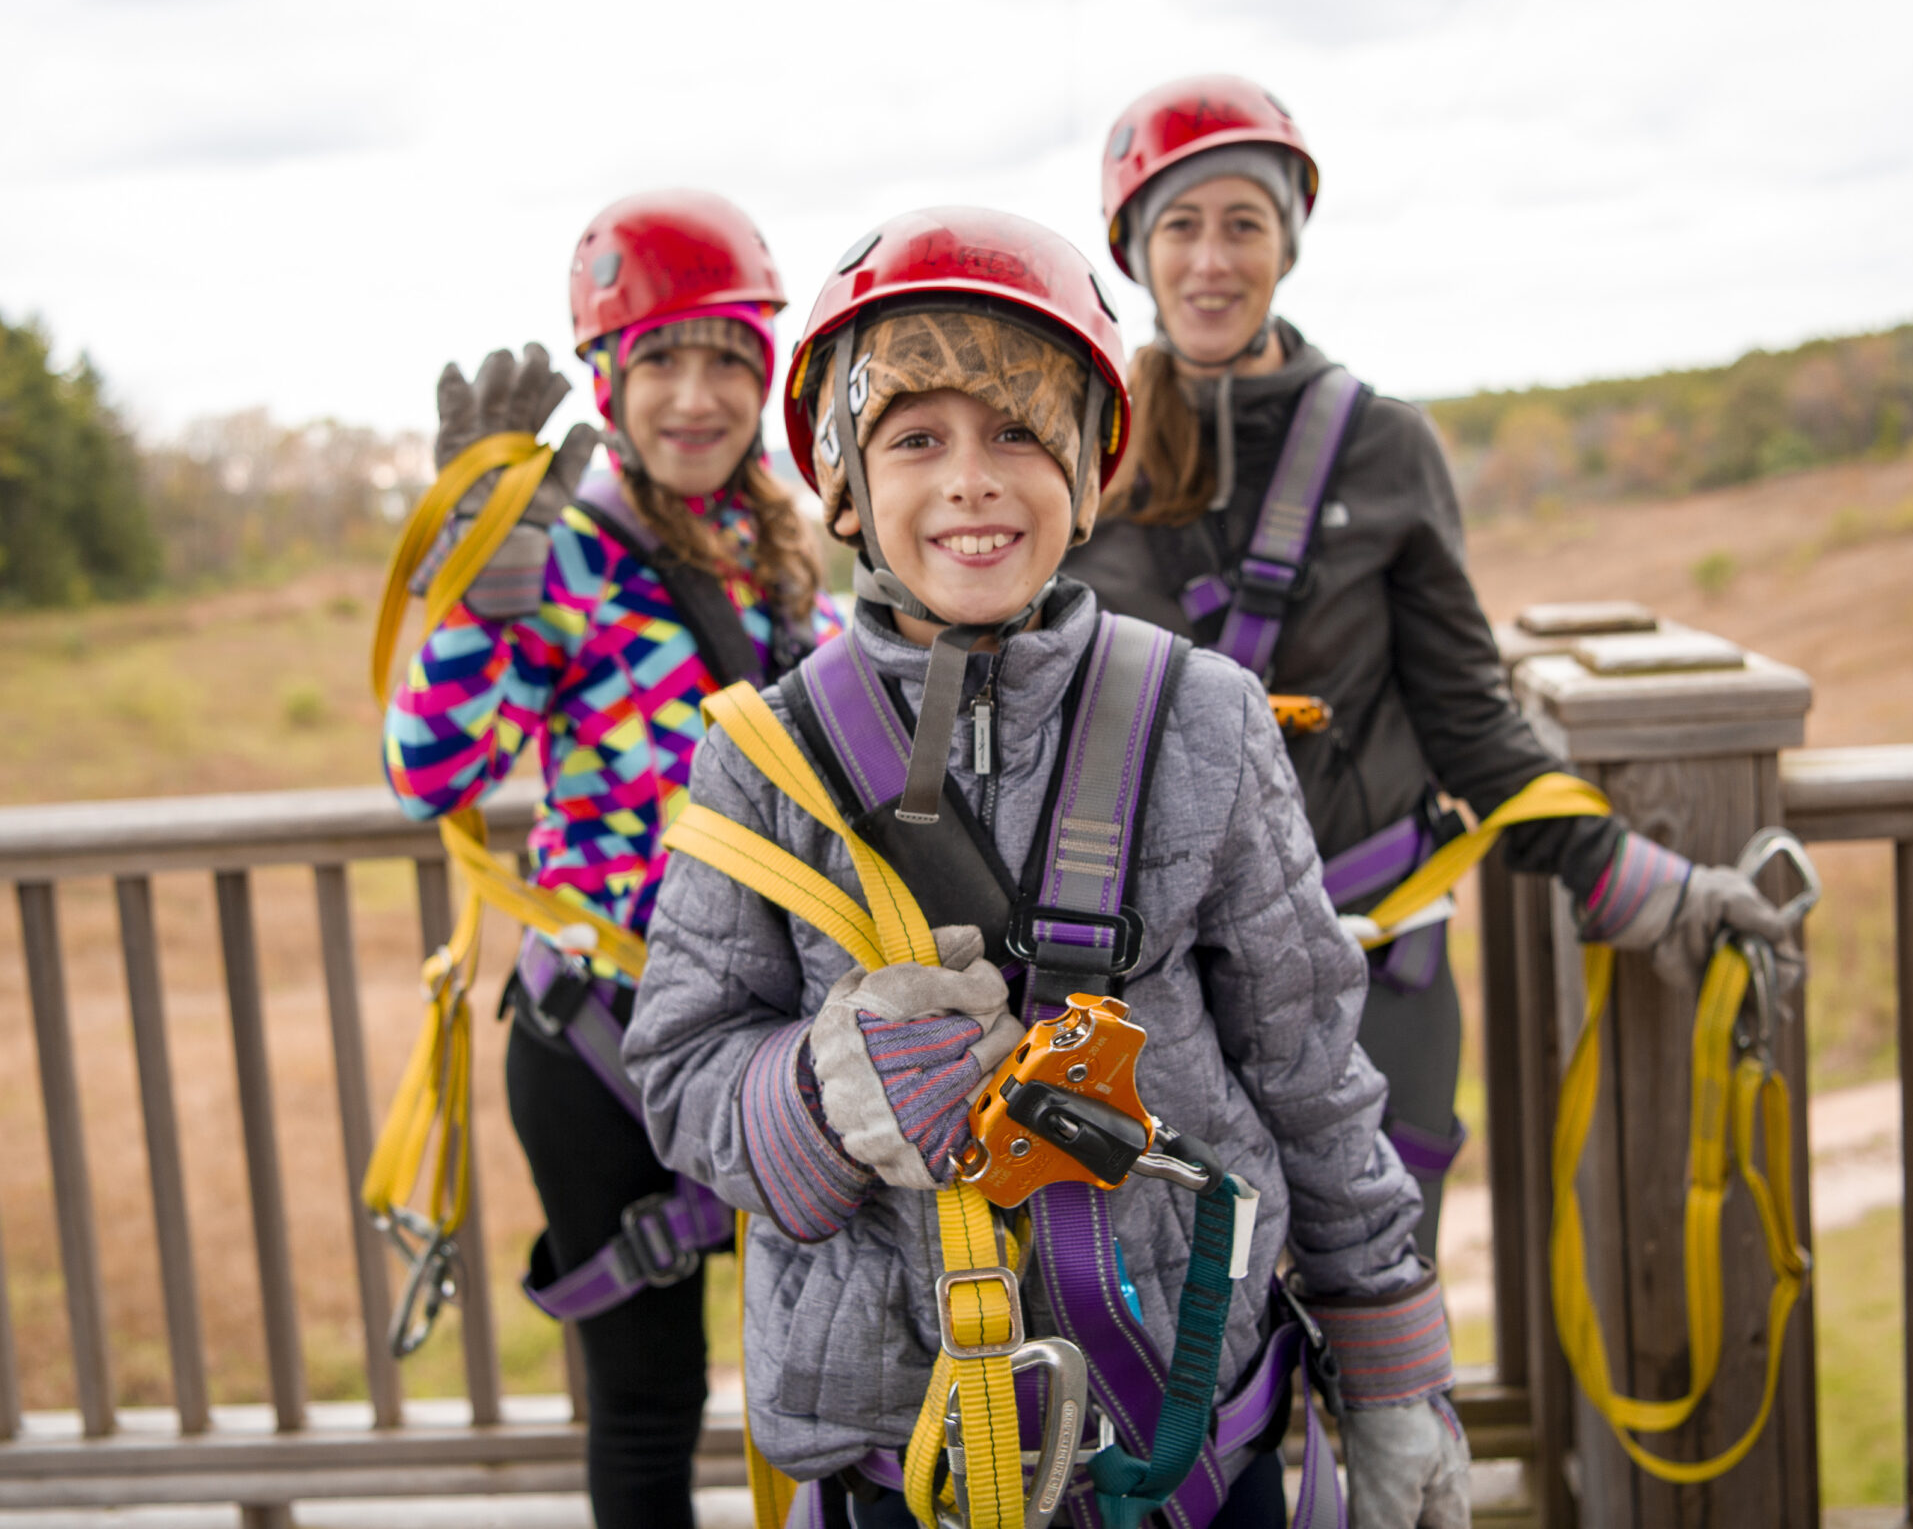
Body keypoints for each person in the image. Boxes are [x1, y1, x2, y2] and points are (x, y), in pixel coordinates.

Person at [626, 206, 1475, 1529]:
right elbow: (682, 1072)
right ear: (845, 482)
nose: (971, 480)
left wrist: (1391, 1371)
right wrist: (820, 1090)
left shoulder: (1203, 718)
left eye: (1019, 432)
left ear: (1086, 472)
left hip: (1185, 1439)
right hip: (900, 1462)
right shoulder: (763, 757)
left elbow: (1309, 1067)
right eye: (917, 439)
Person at [1063, 75, 1798, 1256]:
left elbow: (1468, 718)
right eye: (1180, 225)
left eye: (1243, 224)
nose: (1210, 259)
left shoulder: (1381, 446)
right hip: (1157, 987)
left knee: (1377, 1290)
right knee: (1193, 1323)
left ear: (1286, 245)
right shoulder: (1087, 451)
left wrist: (1641, 883)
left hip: (1370, 962)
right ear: (1136, 250)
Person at [382, 189, 841, 1529]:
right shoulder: (564, 548)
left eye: (726, 361)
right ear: (607, 380)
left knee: (828, 1375)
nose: (695, 397)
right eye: (660, 361)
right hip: (608, 1037)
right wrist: (484, 586)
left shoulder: (776, 544)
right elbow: (430, 775)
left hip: (765, 1031)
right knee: (647, 1397)